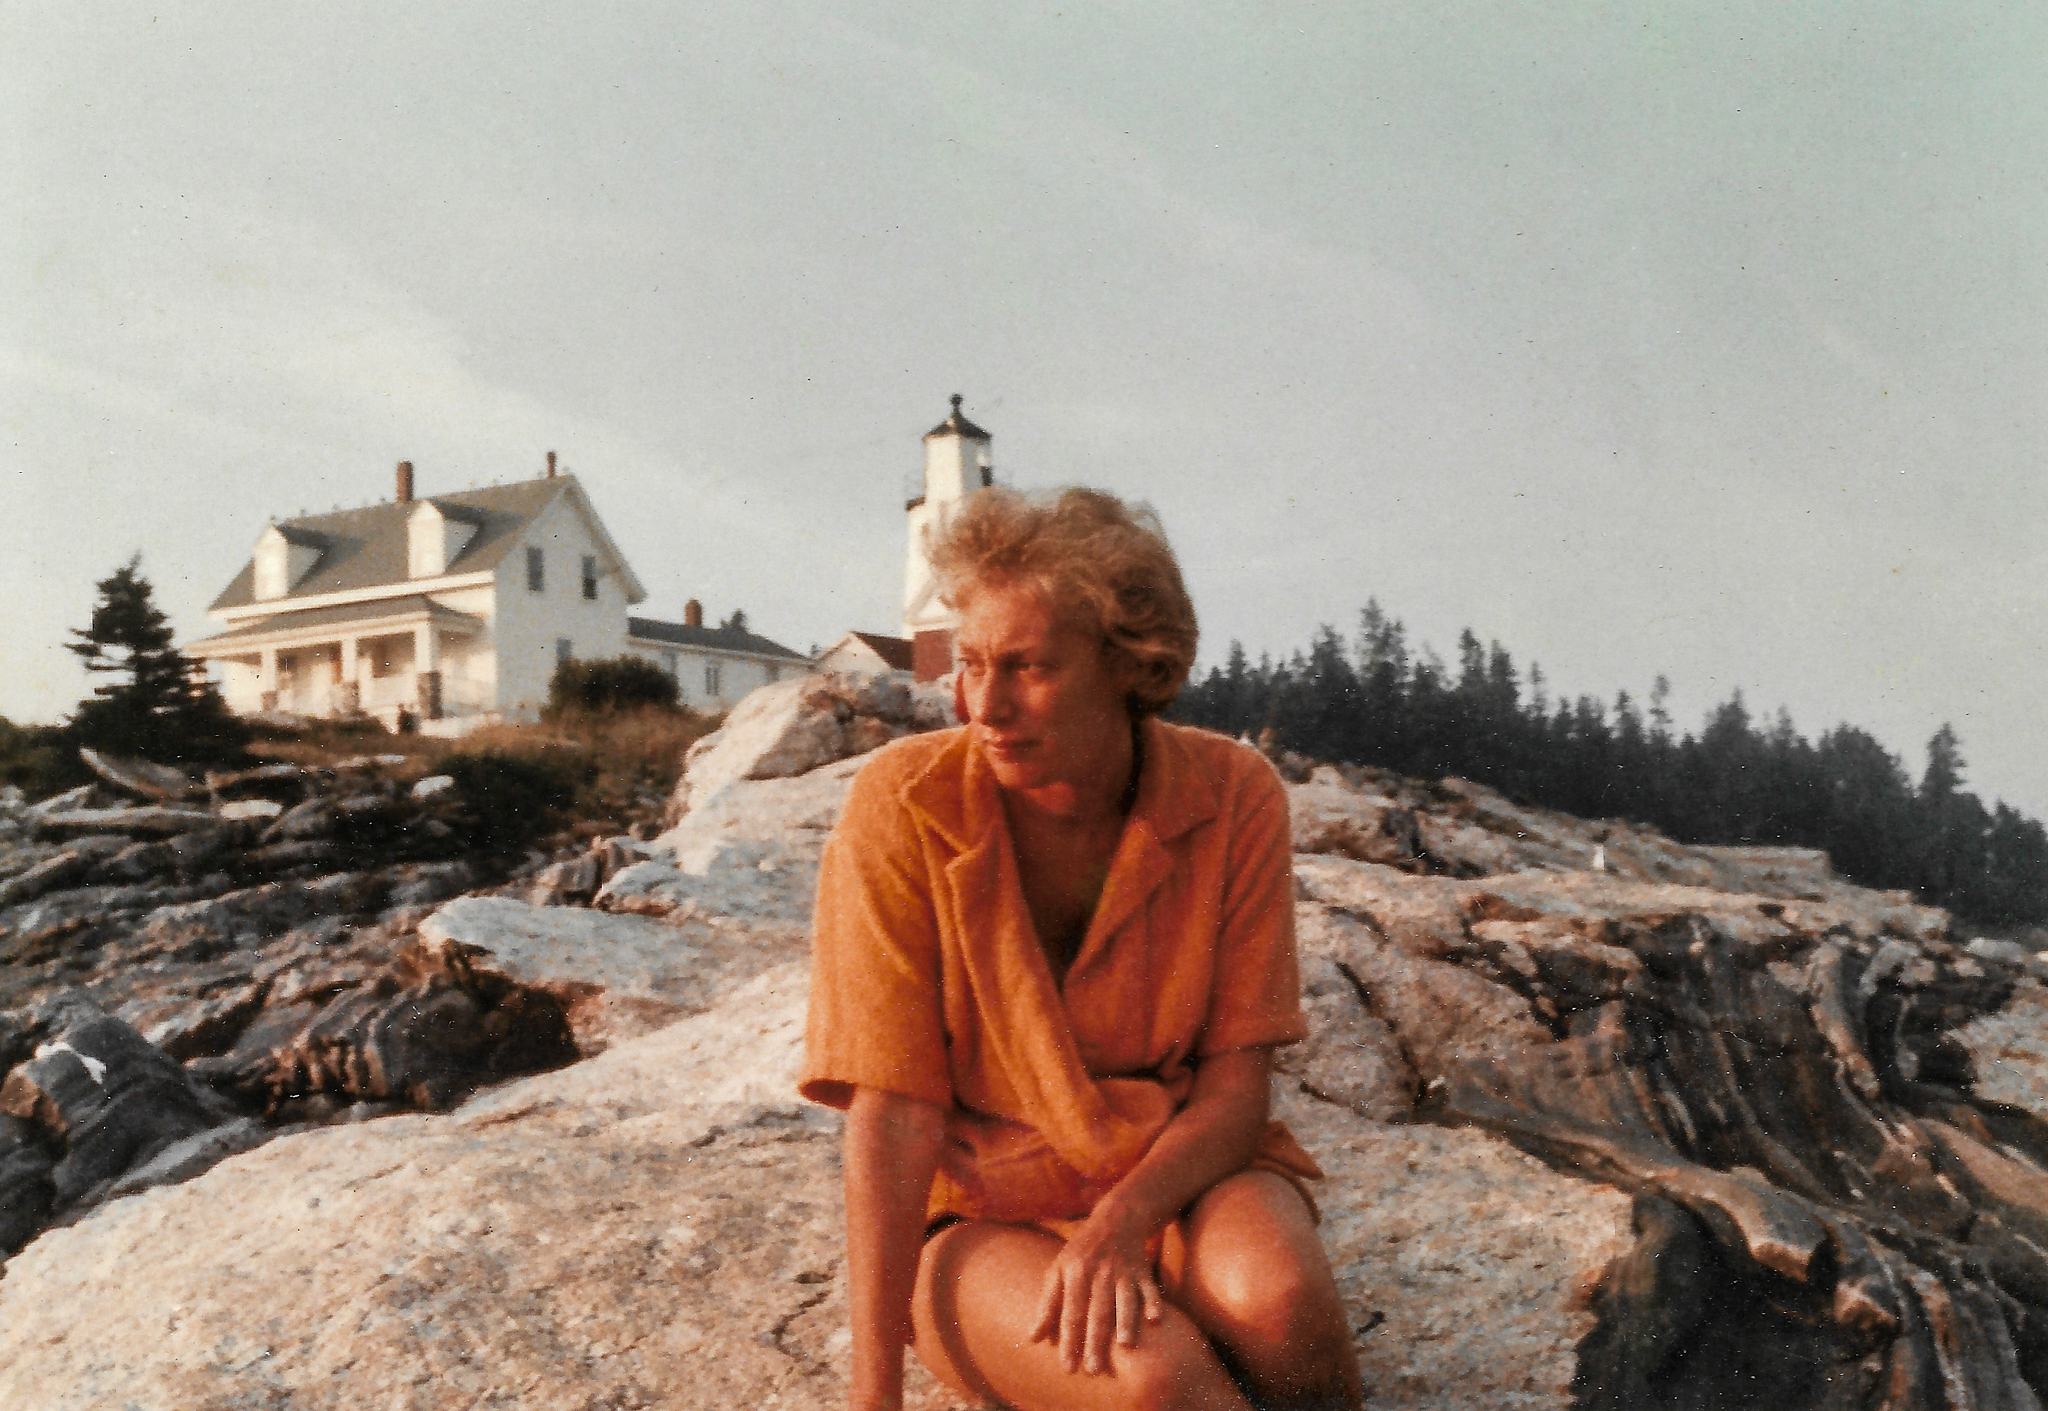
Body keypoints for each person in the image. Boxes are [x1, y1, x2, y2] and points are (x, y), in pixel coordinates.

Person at [801, 487, 1364, 1411]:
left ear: (1128, 665)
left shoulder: (1234, 795)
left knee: (1284, 1307)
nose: (985, 703)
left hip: (1179, 1171)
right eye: (972, 662)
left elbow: (1234, 1088)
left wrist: (1123, 1218)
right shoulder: (904, 805)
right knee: (1155, 1381)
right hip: (981, 1212)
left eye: (1027, 667)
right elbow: (892, 1115)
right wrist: (874, 1399)